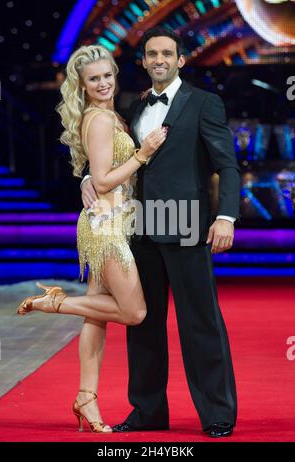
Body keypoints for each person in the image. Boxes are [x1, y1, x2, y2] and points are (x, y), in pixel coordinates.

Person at [81, 28, 241, 438]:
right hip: (139, 228)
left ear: (181, 60)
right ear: (144, 61)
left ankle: (217, 414)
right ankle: (148, 411)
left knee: (199, 323)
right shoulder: (133, 107)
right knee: (144, 326)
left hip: (187, 225)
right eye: (151, 54)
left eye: (167, 53)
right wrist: (87, 177)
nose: (159, 60)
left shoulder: (205, 103)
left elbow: (228, 165)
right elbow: (115, 158)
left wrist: (226, 217)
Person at [17, 44, 167, 433]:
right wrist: (143, 154)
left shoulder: (111, 114)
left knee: (97, 316)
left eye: (107, 75)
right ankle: (55, 303)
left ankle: (86, 397)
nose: (103, 83)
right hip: (107, 229)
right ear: (82, 86)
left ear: (115, 76)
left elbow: (94, 174)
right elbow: (102, 181)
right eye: (93, 79)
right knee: (134, 313)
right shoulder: (99, 119)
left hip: (116, 222)